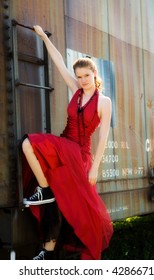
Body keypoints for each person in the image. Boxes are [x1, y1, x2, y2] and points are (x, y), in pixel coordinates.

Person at [22, 25, 113, 260]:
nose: (82, 80)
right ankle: (48, 251)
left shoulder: (104, 102)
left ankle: (44, 191)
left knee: (30, 144)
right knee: (55, 200)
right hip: (64, 145)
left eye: (87, 76)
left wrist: (94, 168)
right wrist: (43, 37)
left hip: (80, 155)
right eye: (79, 76)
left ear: (94, 74)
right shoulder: (76, 90)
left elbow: (103, 137)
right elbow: (59, 62)